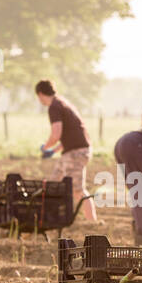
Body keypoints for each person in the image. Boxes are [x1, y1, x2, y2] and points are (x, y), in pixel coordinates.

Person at [35, 79, 97, 222]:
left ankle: (93, 223)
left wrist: (45, 147)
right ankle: (44, 219)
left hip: (76, 153)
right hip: (75, 151)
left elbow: (56, 134)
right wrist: (55, 150)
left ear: (40, 94)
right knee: (53, 185)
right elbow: (69, 134)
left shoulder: (54, 107)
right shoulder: (63, 102)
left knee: (77, 190)